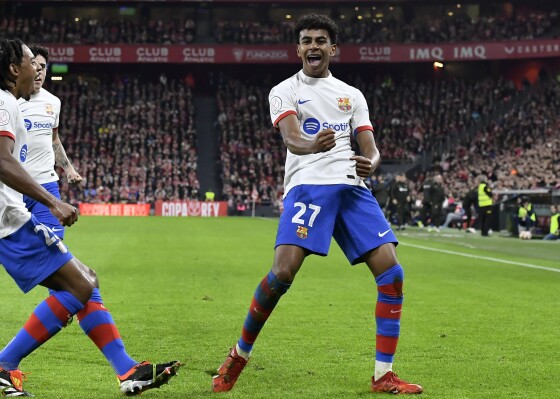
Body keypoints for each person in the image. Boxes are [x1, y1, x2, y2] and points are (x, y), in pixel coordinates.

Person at [211, 14, 422, 395]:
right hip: (308, 187)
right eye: (306, 40)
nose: (313, 46)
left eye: (320, 40)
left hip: (352, 189)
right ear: (298, 49)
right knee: (282, 273)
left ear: (332, 49)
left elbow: (371, 149)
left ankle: (383, 375)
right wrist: (314, 145)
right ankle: (238, 355)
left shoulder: (352, 95)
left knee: (392, 274)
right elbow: (292, 139)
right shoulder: (284, 90)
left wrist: (370, 165)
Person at [0, 38, 181, 397]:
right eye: (27, 61)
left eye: (40, 64)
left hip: (15, 213)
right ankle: (5, 364)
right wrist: (53, 202)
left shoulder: (26, 104)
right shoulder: (5, 103)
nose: (35, 68)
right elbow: (3, 161)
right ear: (12, 68)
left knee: (85, 280)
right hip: (9, 219)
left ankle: (127, 369)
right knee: (80, 285)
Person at [18, 45, 82, 241]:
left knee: (53, 244)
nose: (38, 71)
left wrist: (69, 169)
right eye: (34, 65)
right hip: (15, 185)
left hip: (46, 183)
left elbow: (53, 139)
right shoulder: (10, 99)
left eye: (43, 67)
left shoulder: (53, 102)